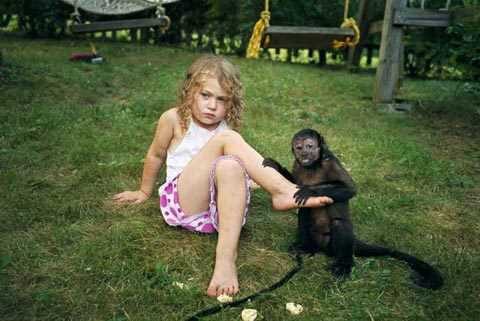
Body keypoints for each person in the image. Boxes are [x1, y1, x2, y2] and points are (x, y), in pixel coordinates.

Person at [113, 54, 333, 298]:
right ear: (189, 92)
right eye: (205, 95)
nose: (212, 105)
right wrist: (144, 191)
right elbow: (156, 155)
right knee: (228, 142)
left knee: (230, 165)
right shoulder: (175, 119)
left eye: (221, 99)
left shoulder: (224, 129)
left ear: (231, 104)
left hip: (218, 213)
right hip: (185, 202)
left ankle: (226, 260)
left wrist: (246, 178)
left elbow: (232, 171)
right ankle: (283, 190)